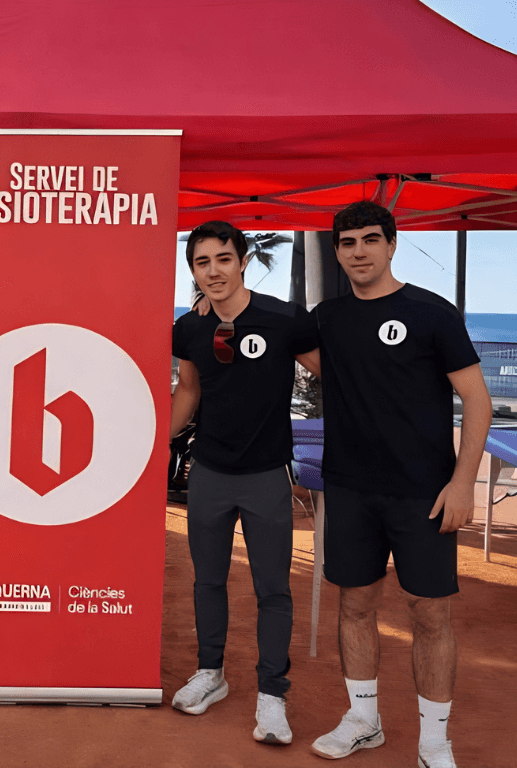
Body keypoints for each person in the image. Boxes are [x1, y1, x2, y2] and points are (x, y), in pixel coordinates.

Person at [309, 201, 491, 768]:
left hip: (424, 493)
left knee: (430, 614)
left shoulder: (432, 312)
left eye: (369, 240)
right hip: (350, 489)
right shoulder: (327, 317)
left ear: (391, 245)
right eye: (346, 242)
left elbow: (478, 403)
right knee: (355, 605)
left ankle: (434, 740)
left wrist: (463, 485)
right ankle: (365, 720)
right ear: (337, 252)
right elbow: (281, 340)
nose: (358, 251)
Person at [169, 221, 320, 745]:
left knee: (272, 589)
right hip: (209, 473)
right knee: (207, 581)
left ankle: (272, 696)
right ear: (193, 270)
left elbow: (334, 376)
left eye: (223, 259)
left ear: (243, 261)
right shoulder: (189, 328)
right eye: (201, 262)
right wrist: (152, 446)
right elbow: (188, 390)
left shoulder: (283, 319)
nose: (213, 271)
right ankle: (211, 674)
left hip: (265, 476)